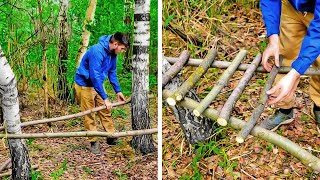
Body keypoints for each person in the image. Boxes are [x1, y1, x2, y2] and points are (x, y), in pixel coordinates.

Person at [259, 0, 320, 131]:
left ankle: (319, 106)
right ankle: (284, 110)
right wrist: (273, 38)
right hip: (290, 7)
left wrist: (296, 72)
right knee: (284, 52)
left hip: (317, 12)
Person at [74, 32, 128, 154]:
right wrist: (105, 97)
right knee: (89, 113)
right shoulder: (96, 51)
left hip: (97, 84)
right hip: (85, 84)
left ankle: (111, 136)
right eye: (122, 48)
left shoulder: (113, 53)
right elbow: (94, 76)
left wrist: (118, 91)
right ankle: (93, 141)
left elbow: (112, 72)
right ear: (115, 44)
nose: (122, 51)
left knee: (105, 110)